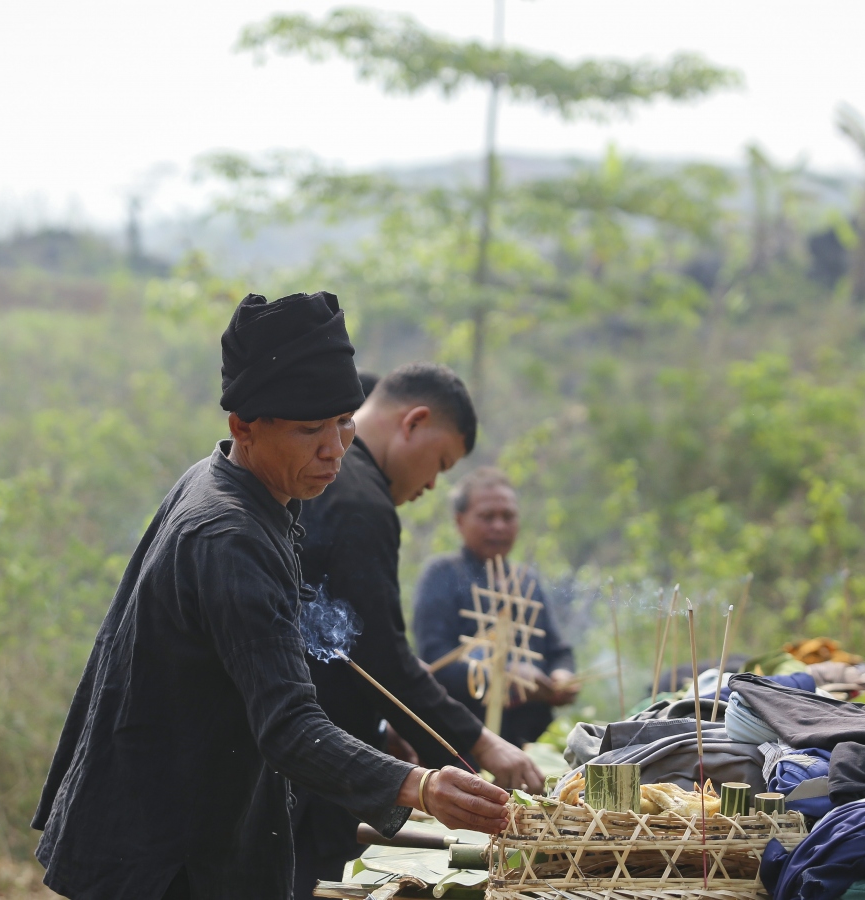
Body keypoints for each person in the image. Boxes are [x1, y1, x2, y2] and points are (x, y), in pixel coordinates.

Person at [31, 292, 510, 900]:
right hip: (163, 847)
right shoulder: (228, 533)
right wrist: (418, 786)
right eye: (311, 430)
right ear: (244, 428)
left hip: (189, 819)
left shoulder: (243, 486)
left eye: (343, 424)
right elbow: (287, 727)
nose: (334, 450)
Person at [293, 364, 543, 897]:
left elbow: (342, 646)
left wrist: (386, 728)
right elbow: (380, 653)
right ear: (415, 421)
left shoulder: (339, 487)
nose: (432, 483)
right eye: (440, 463)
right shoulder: (360, 498)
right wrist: (482, 742)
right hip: (312, 761)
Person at [413, 467, 578, 747]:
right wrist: (501, 673)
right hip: (468, 739)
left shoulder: (526, 579)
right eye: (487, 517)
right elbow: (435, 659)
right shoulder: (443, 574)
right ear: (460, 521)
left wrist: (561, 678)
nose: (499, 526)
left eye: (508, 516)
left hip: (536, 740)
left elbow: (558, 651)